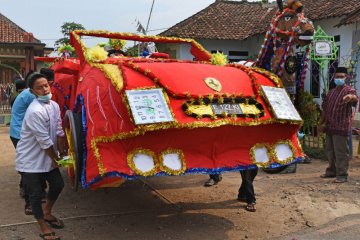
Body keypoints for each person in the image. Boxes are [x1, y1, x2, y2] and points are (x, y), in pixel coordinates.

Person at [16, 73, 66, 240]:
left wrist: (62, 152)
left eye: (46, 85)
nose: (45, 89)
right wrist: (56, 160)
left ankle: (47, 213)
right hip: (30, 160)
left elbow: (59, 131)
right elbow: (45, 142)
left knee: (58, 184)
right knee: (36, 195)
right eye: (40, 87)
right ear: (33, 91)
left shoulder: (54, 106)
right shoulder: (34, 111)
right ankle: (44, 227)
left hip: (48, 155)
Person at [319, 67, 358, 183]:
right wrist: (320, 124)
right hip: (330, 126)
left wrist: (349, 98)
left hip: (341, 127)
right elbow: (325, 110)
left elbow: (354, 97)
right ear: (334, 78)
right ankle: (331, 171)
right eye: (337, 77)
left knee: (340, 152)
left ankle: (342, 175)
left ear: (346, 78)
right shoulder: (330, 93)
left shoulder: (349, 90)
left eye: (341, 77)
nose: (339, 78)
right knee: (330, 151)